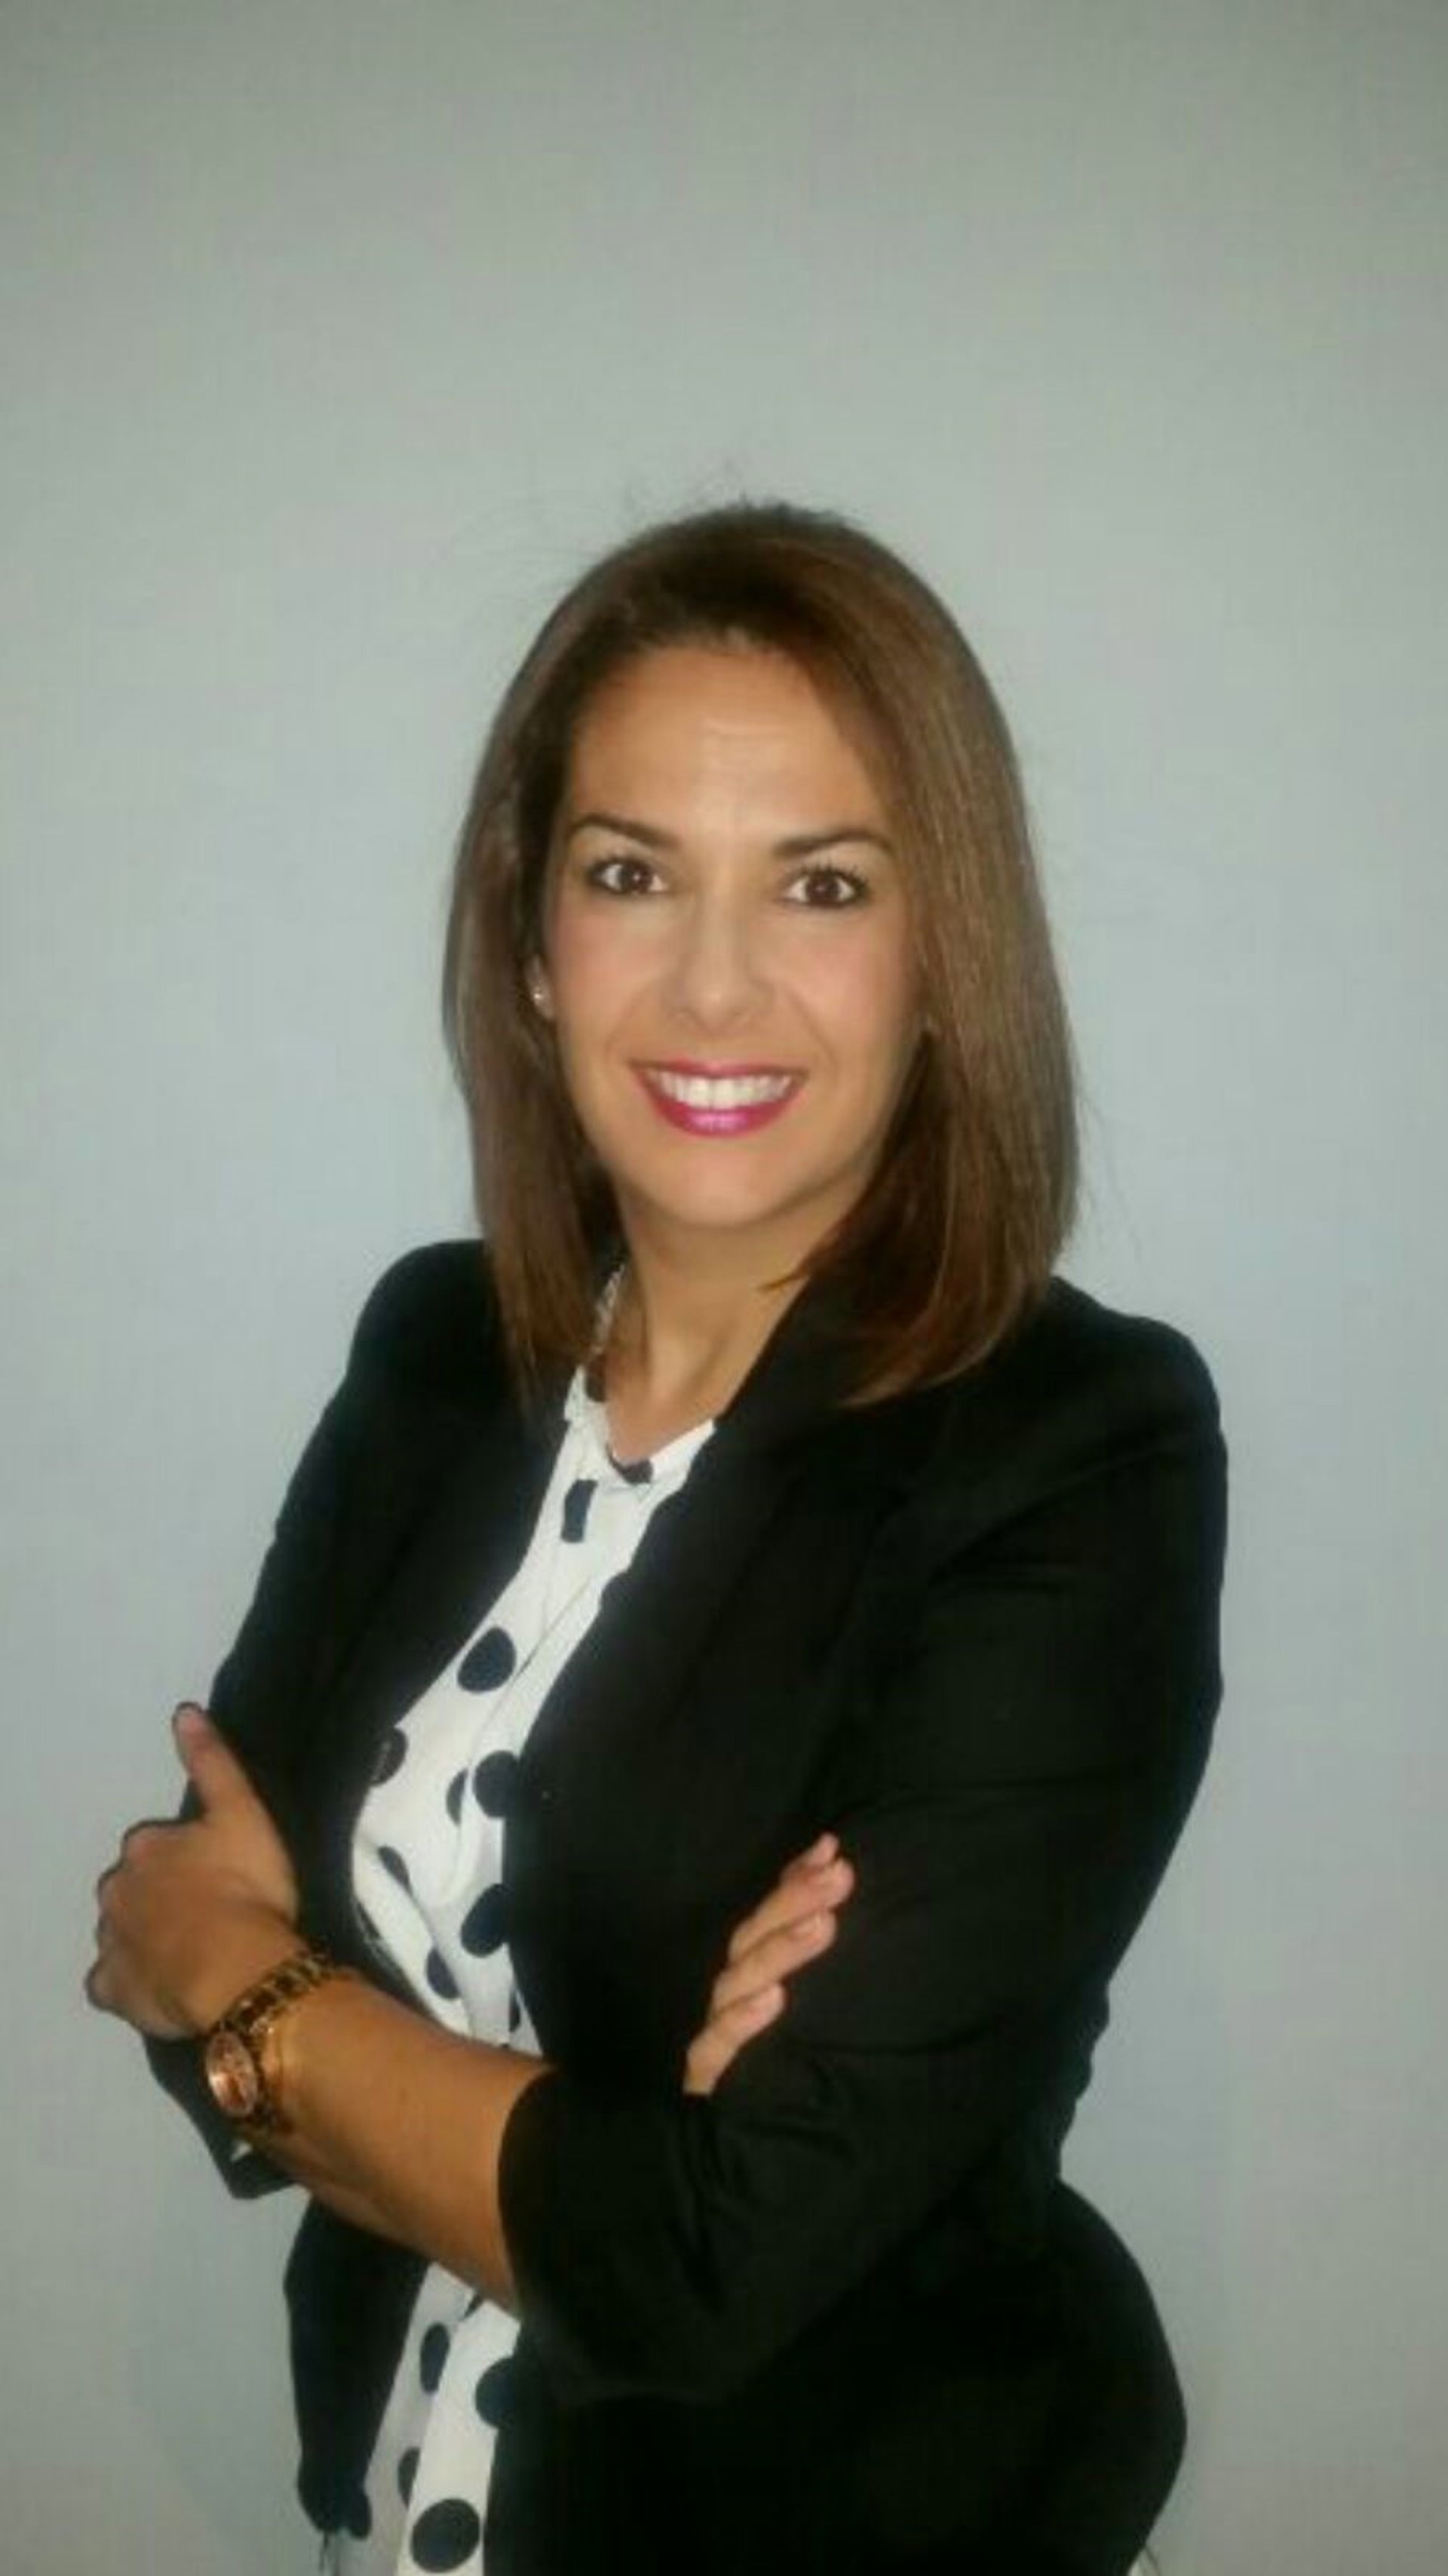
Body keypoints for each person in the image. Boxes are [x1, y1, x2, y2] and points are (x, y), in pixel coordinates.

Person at [87, 499, 1226, 2576]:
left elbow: (718, 2261)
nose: (713, 983)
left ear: (944, 961)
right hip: (397, 2504)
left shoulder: (1077, 1452)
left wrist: (264, 1995)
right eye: (630, 874)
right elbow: (181, 1917)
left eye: (822, 883)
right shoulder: (436, 1355)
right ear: (533, 950)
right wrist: (580, 2111)